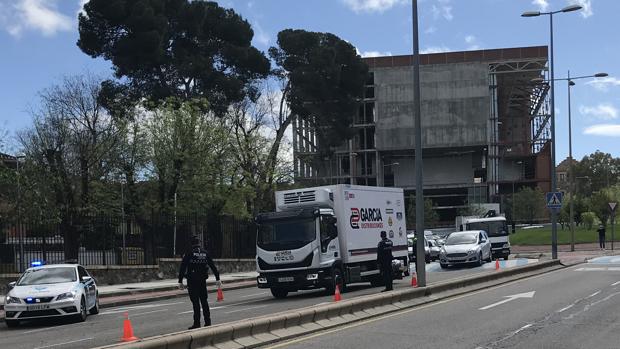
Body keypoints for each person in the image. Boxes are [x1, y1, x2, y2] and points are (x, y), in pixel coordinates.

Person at [178, 236, 221, 329]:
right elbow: (212, 266)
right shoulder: (205, 253)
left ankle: (197, 323)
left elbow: (182, 267)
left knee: (195, 303)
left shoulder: (189, 254)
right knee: (204, 301)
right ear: (199, 243)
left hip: (192, 281)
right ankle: (208, 321)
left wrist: (180, 281)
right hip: (202, 281)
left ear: (192, 243)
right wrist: (218, 278)